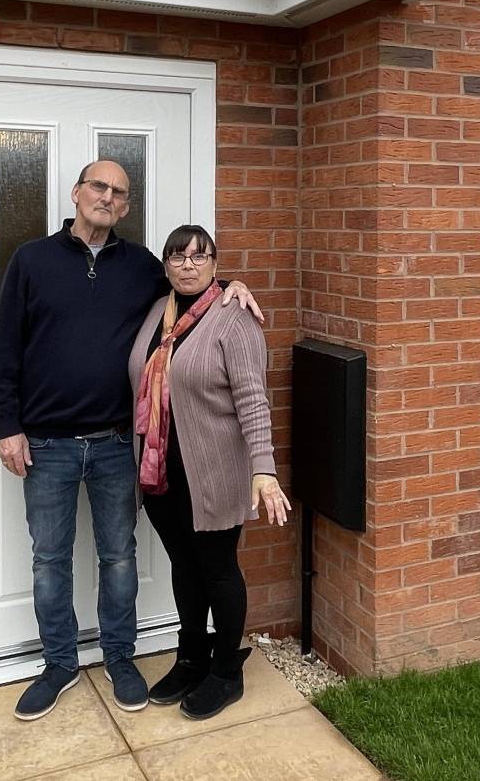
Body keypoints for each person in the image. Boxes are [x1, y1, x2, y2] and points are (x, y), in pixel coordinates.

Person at [0, 160, 261, 721]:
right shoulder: (31, 261)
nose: (107, 197)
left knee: (118, 557)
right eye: (98, 186)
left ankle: (120, 658)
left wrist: (233, 285)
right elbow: (3, 346)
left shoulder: (140, 268)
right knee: (49, 560)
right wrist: (6, 424)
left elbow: (194, 288)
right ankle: (59, 664)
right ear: (76, 193)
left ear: (127, 206)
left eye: (118, 191)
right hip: (48, 444)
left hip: (117, 444)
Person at [128, 224, 290, 720]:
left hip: (215, 473)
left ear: (216, 264)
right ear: (166, 265)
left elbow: (253, 400)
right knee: (184, 565)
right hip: (161, 472)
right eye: (178, 257)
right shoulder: (158, 311)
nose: (188, 265)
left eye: (200, 257)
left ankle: (225, 672)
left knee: (218, 570)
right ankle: (191, 657)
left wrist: (264, 469)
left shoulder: (234, 318)